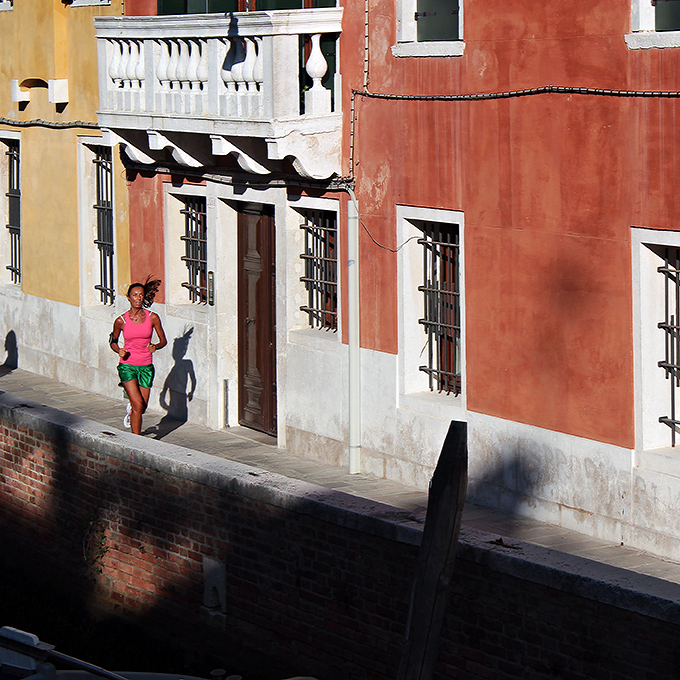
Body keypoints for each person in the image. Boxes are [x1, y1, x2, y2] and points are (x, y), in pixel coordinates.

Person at [109, 277, 167, 435]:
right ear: (128, 298)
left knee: (141, 407)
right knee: (137, 403)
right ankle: (137, 441)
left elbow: (163, 341)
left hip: (146, 366)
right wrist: (118, 349)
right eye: (135, 295)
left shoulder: (152, 317)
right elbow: (112, 341)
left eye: (141, 295)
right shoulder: (121, 321)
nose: (138, 298)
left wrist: (155, 346)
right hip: (127, 365)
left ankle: (132, 411)